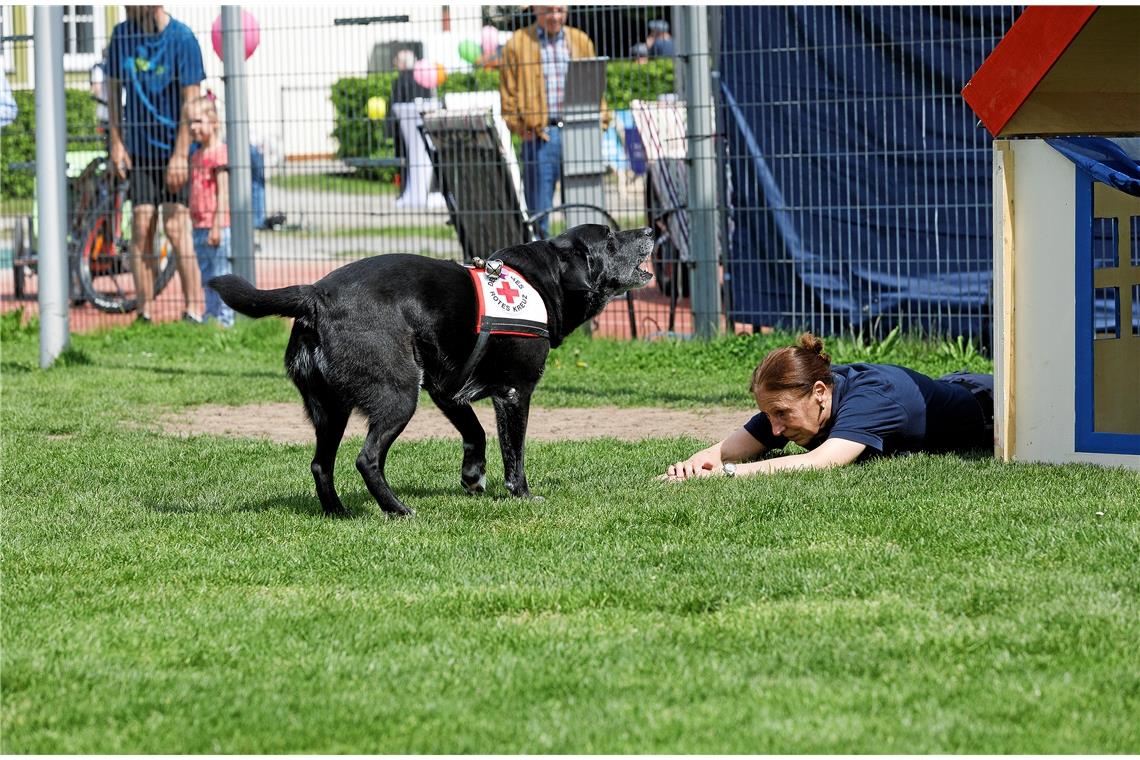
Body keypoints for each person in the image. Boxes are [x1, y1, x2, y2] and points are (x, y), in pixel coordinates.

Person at [663, 333, 995, 481]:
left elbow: (821, 462)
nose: (775, 428)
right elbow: (728, 450)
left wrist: (729, 475)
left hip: (991, 405)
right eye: (769, 415)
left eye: (781, 414)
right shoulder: (801, 399)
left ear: (820, 392)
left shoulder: (872, 398)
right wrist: (694, 465)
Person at [106, 5, 205, 324]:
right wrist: (116, 142)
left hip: (173, 147)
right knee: (140, 227)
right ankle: (144, 312)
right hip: (139, 150)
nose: (125, 7)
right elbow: (112, 91)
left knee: (176, 229)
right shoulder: (122, 34)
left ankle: (194, 310)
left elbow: (191, 102)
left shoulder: (183, 38)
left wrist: (180, 155)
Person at [499, 5, 610, 238]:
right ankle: (539, 270)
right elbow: (507, 95)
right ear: (536, 9)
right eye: (549, 10)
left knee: (583, 210)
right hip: (540, 135)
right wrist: (520, 128)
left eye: (560, 10)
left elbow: (595, 85)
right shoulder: (517, 43)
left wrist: (599, 124)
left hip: (579, 133)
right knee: (539, 213)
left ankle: (586, 268)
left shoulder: (580, 40)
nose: (556, 16)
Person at [186, 97, 233, 327]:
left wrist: (216, 225)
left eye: (197, 121)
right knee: (207, 277)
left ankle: (225, 319)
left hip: (216, 226)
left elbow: (222, 193)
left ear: (213, 122)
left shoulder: (219, 154)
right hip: (198, 226)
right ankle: (211, 315)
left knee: (221, 274)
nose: (192, 127)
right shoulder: (196, 155)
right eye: (190, 123)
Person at [387, 49, 431, 204]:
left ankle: (406, 191)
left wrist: (390, 130)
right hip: (421, 127)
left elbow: (394, 105)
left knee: (405, 161)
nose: (395, 65)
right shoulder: (422, 78)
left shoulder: (400, 80)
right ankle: (423, 191)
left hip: (404, 130)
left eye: (397, 62)